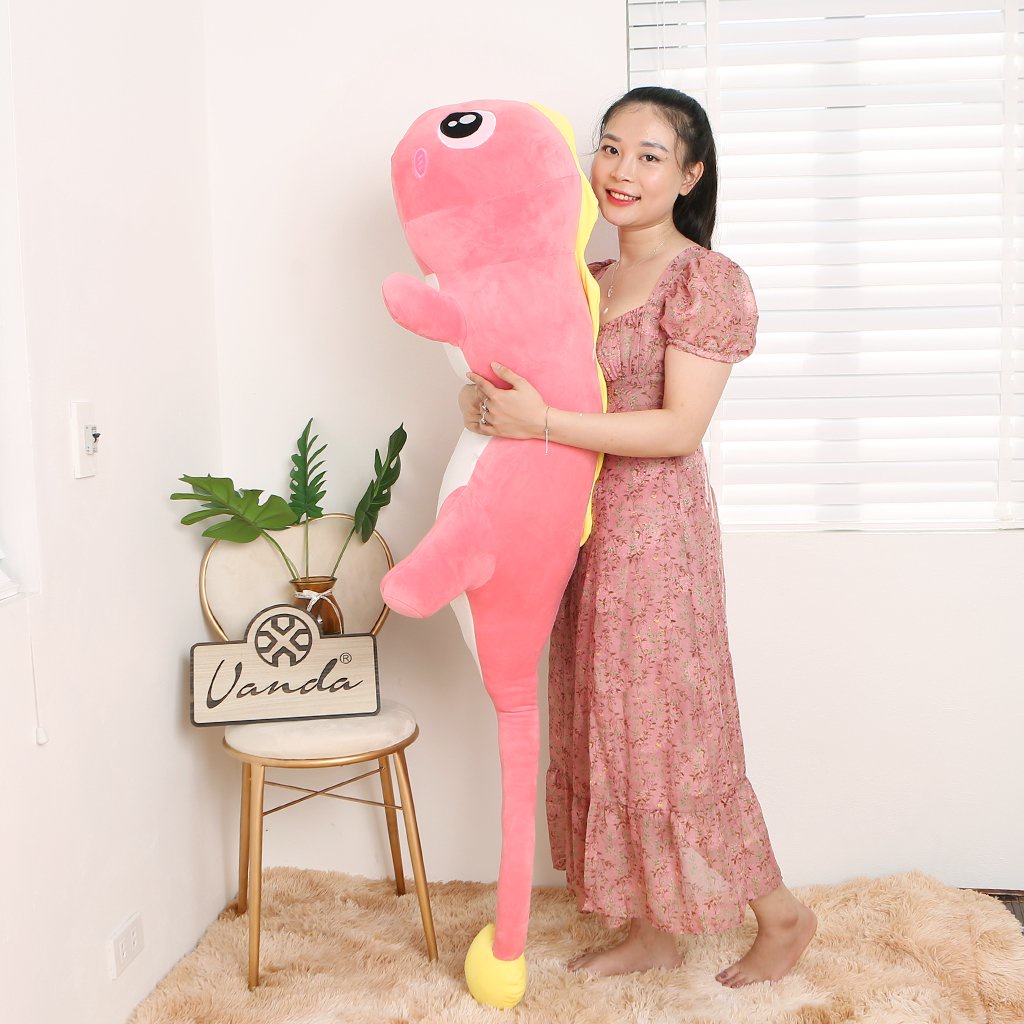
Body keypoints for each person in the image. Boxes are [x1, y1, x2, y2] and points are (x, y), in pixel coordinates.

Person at [458, 86, 816, 988]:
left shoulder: (705, 281)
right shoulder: (582, 278)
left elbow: (678, 429)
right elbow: (530, 388)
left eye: (650, 155)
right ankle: (652, 929)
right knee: (608, 730)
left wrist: (542, 423)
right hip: (574, 529)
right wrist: (486, 403)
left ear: (690, 175)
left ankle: (783, 916)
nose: (620, 170)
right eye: (610, 147)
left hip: (654, 538)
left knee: (673, 736)